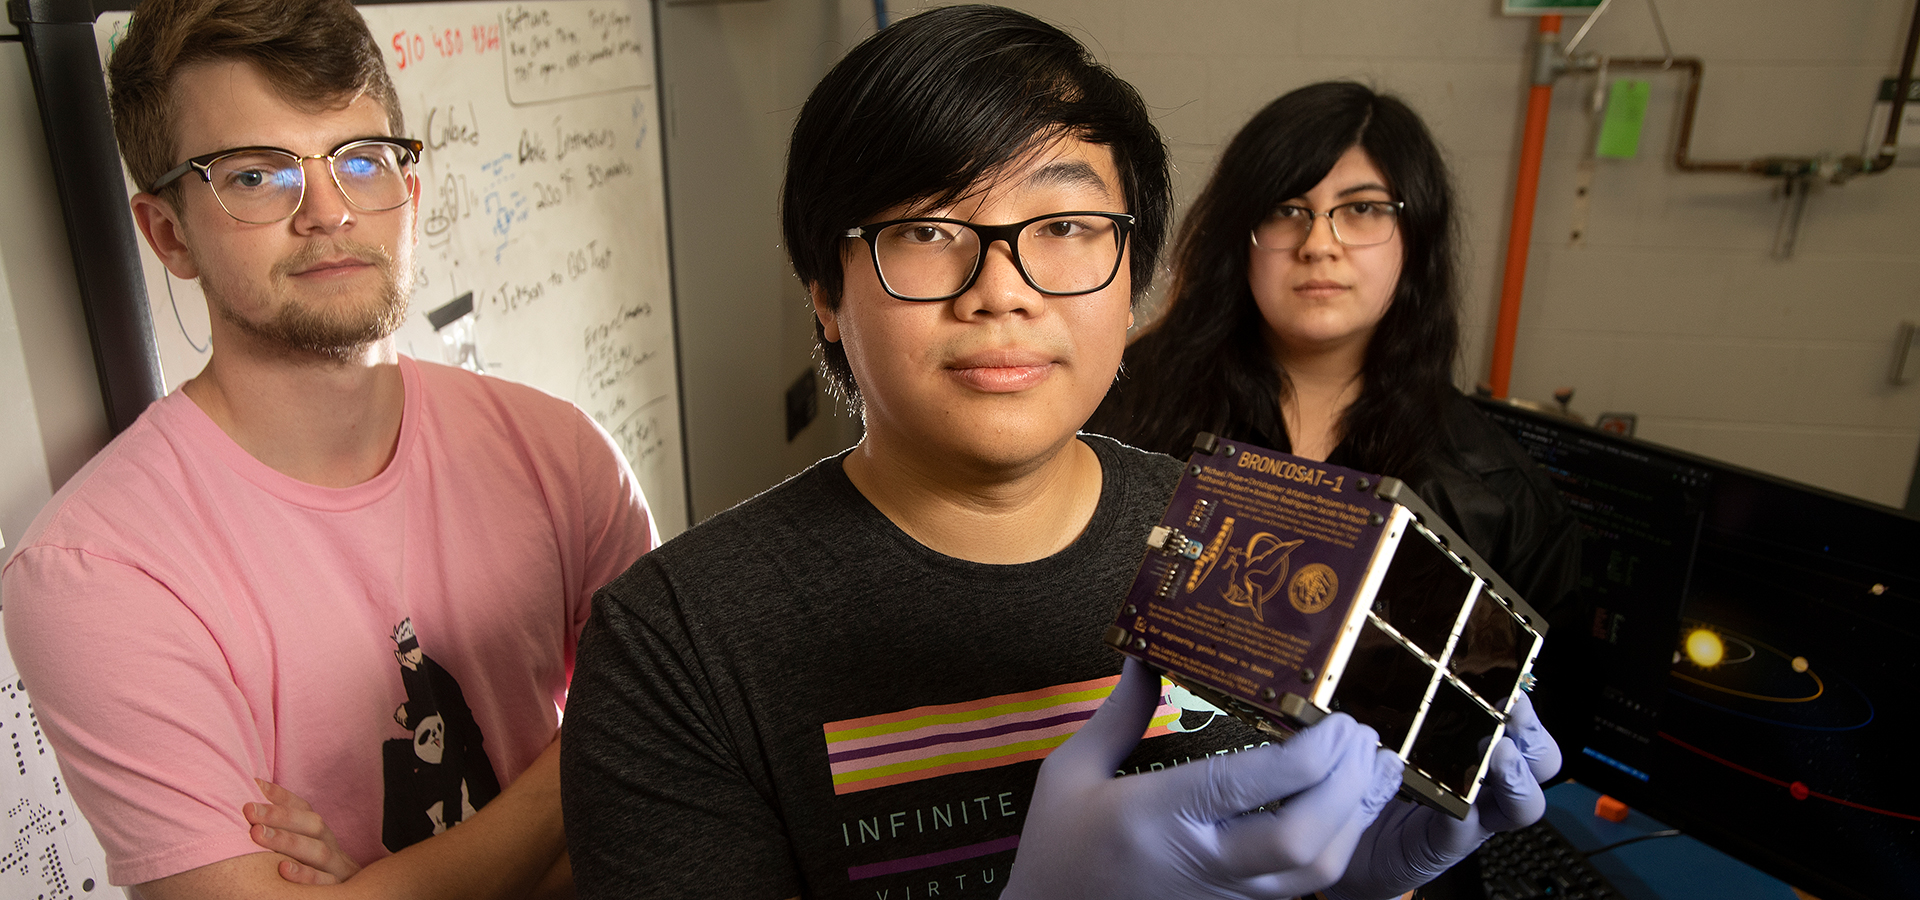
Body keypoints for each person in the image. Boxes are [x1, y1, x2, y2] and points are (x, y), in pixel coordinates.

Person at [559, 9, 1556, 900]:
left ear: (1132, 279)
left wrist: (1358, 885)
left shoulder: (1245, 540)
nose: (1002, 291)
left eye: (1069, 225)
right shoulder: (672, 646)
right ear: (824, 289)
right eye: (927, 229)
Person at [0, 0, 654, 896]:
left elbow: (680, 794)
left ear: (408, 193)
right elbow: (630, 759)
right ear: (166, 233)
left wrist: (389, 885)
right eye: (256, 176)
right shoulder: (96, 569)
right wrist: (577, 769)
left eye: (360, 160)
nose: (328, 212)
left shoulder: (562, 454)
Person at [1087, 81, 1581, 625]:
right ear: (1238, 236)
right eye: (1285, 209)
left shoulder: (1500, 496)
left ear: (1416, 237)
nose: (1318, 244)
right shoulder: (1114, 411)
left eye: (1362, 208)